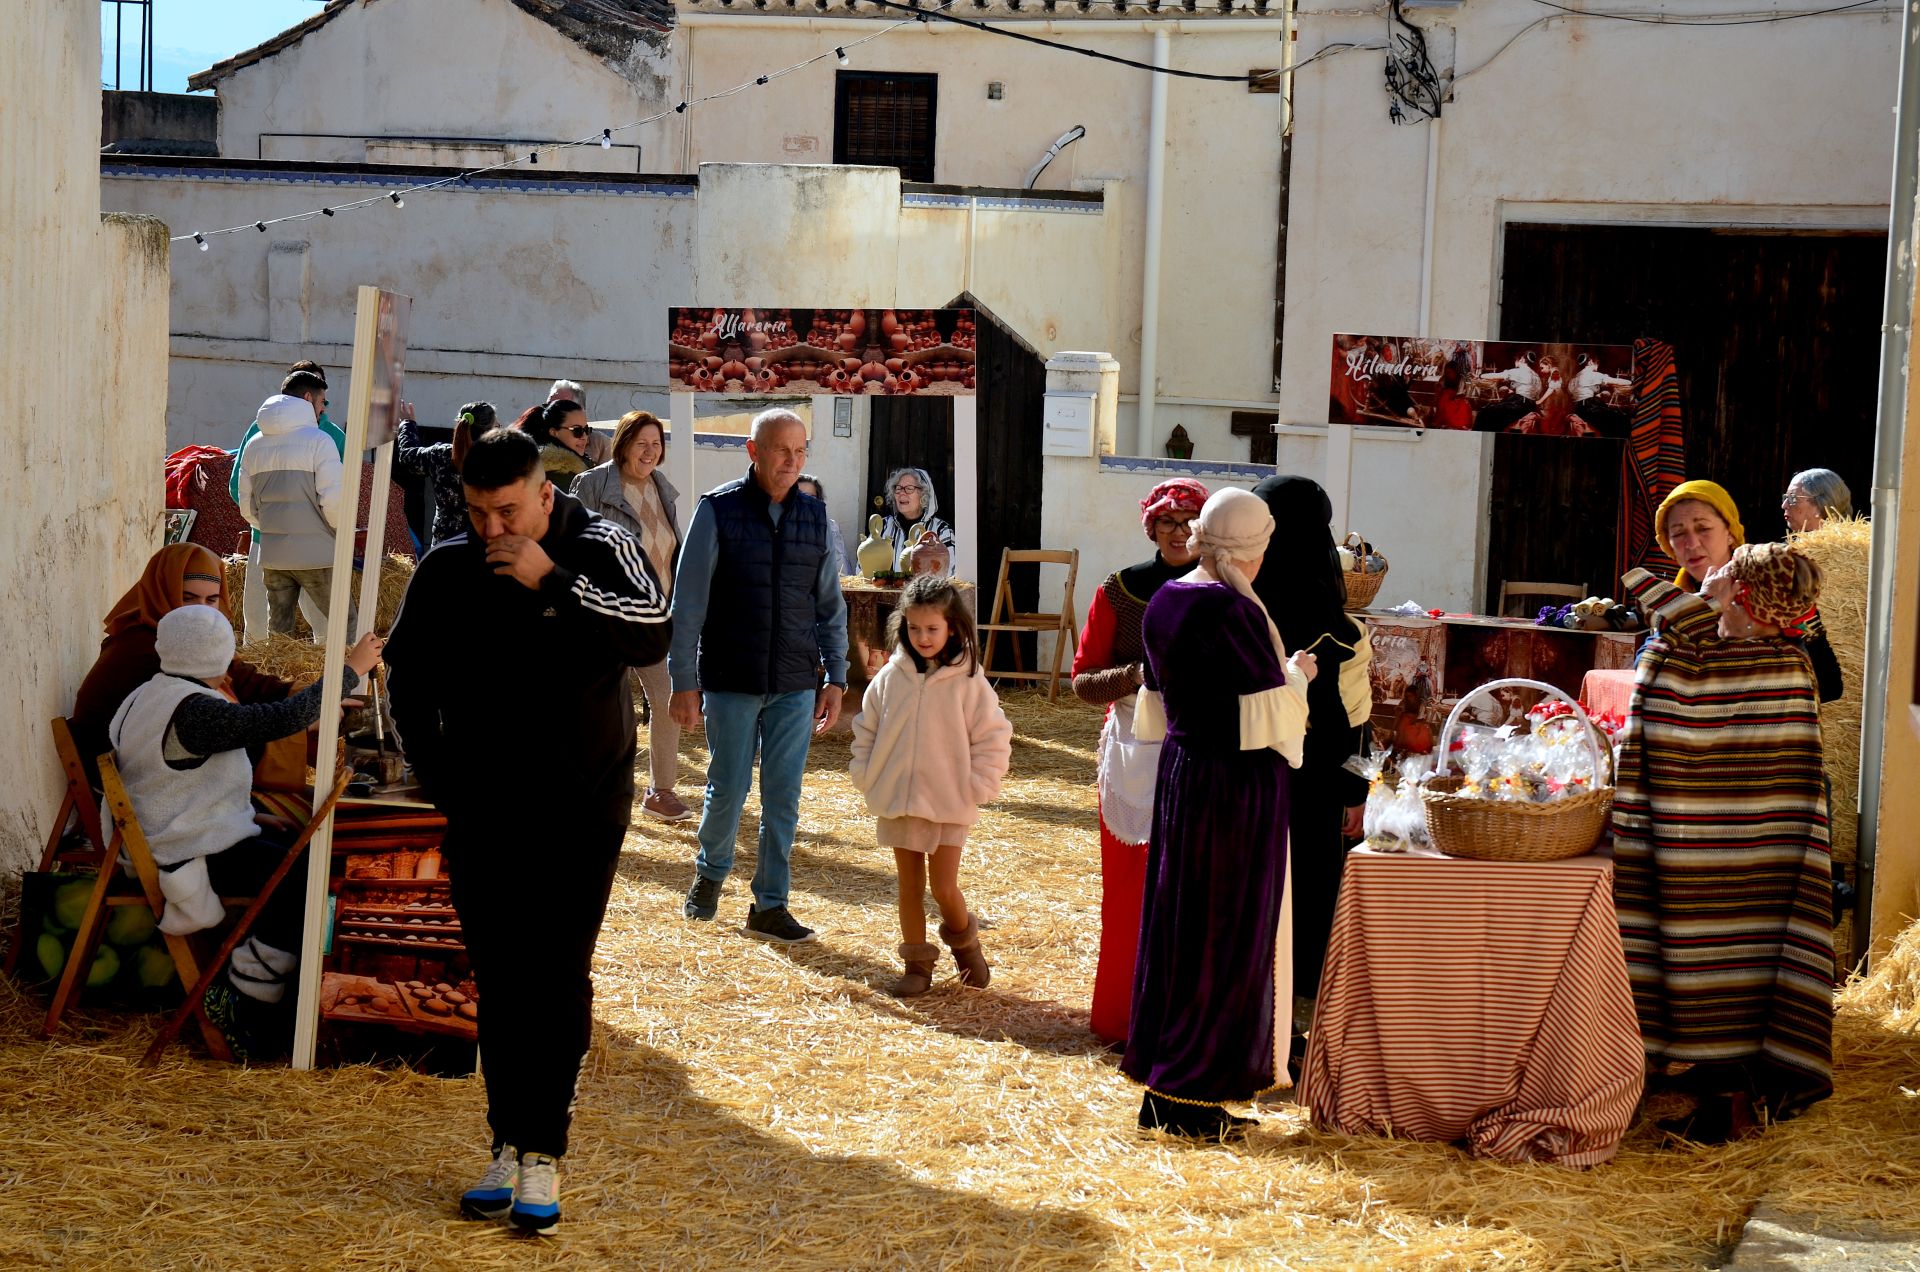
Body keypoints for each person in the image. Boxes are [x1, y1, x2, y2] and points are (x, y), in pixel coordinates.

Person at [383, 428, 670, 1234]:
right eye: (477, 512)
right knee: (501, 978)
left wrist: (555, 581)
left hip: (584, 806)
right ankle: (505, 1141)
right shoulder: (447, 567)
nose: (492, 529)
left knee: (557, 971)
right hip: (485, 810)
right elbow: (409, 685)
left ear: (545, 495)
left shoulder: (600, 541)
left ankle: (544, 1151)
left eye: (508, 510)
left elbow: (654, 632)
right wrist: (442, 781)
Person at [1613, 541, 1834, 1143]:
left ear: (1744, 593)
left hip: (1721, 856)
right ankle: (1725, 1104)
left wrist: (1673, 614)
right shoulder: (1780, 662)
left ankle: (1730, 1111)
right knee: (1740, 962)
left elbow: (1664, 679)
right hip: (1757, 855)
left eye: (1728, 571)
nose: (1714, 572)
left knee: (1721, 957)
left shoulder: (1706, 662)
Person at [1123, 487, 1317, 1139]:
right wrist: (1298, 678)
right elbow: (1262, 718)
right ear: (1250, 548)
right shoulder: (1229, 609)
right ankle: (1189, 1097)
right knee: (1221, 933)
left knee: (1187, 927)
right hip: (1231, 789)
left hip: (1185, 776)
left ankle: (1176, 1089)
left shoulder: (1169, 598)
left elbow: (1160, 700)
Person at [107, 604, 382, 1057]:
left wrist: (246, 814)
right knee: (305, 882)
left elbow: (183, 781)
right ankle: (245, 997)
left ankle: (267, 988)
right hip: (183, 852)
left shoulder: (153, 693)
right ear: (220, 655)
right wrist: (348, 672)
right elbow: (275, 721)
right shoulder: (193, 711)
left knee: (303, 852)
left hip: (183, 835)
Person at [670, 408, 850, 943]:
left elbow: (829, 607)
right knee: (727, 788)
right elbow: (689, 604)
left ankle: (770, 903)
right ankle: (708, 880)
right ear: (753, 451)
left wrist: (836, 678)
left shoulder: (816, 518)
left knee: (784, 796)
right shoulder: (717, 511)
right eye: (780, 450)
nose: (791, 462)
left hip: (795, 683)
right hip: (730, 678)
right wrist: (683, 680)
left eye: (800, 452)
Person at [1069, 476, 1207, 1045]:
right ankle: (1123, 1019)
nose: (1179, 532)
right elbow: (1081, 681)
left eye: (1189, 522)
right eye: (1168, 522)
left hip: (1202, 752)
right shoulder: (1121, 590)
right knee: (1129, 892)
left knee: (1191, 893)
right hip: (1132, 754)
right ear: (1151, 526)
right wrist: (1136, 677)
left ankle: (1181, 1022)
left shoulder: (1223, 590)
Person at [1250, 475, 1374, 1049]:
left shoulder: (1237, 609)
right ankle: (1300, 1021)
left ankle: (1252, 1005)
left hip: (1245, 776)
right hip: (1316, 786)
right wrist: (1355, 794)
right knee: (1309, 888)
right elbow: (1353, 722)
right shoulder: (1343, 631)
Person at [849, 574, 1012, 996]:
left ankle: (966, 945)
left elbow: (993, 736)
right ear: (904, 626)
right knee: (909, 886)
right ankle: (917, 966)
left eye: (932, 629)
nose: (923, 637)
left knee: (943, 887)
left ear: (953, 628)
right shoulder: (889, 678)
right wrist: (867, 775)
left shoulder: (969, 680)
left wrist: (976, 785)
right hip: (899, 800)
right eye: (915, 628)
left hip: (949, 800)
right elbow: (867, 728)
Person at [71, 544, 295, 787]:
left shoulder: (179, 637)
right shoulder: (149, 647)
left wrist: (302, 694)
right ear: (162, 593)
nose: (201, 610)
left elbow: (242, 680)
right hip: (136, 792)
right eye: (188, 598)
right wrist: (302, 722)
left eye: (211, 600)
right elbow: (220, 727)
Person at [571, 410, 691, 821]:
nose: (650, 451)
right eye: (642, 443)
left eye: (656, 444)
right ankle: (593, 786)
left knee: (666, 697)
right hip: (603, 618)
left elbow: (674, 553)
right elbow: (572, 546)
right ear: (623, 443)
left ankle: (661, 791)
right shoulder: (591, 485)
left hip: (652, 618)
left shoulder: (663, 489)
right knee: (602, 704)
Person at [1658, 480, 1841, 701]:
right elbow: (1654, 671)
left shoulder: (1770, 583)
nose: (1692, 543)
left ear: (1730, 533)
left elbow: (1828, 684)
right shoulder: (1674, 598)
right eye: (1678, 533)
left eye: (1703, 528)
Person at [232, 364, 346, 641]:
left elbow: (239, 488)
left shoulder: (257, 433)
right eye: (322, 400)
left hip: (268, 541)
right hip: (315, 543)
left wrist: (267, 523)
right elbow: (339, 497)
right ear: (309, 398)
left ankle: (259, 680)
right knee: (330, 629)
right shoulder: (330, 436)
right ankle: (330, 681)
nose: (323, 407)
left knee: (262, 629)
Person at [396, 401, 495, 548]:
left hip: (443, 545)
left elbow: (408, 457)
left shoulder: (440, 454)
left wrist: (408, 424)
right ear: (489, 430)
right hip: (481, 546)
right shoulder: (498, 460)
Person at [876, 467, 955, 573]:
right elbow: (862, 569)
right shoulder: (883, 526)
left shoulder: (941, 530)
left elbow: (951, 571)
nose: (902, 493)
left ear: (923, 494)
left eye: (909, 488)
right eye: (898, 488)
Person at [527, 399, 591, 493]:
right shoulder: (559, 476)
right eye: (577, 430)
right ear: (554, 432)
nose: (584, 437)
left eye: (587, 430)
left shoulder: (578, 466)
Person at [794, 474, 852, 576]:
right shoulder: (779, 526)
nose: (804, 501)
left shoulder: (830, 527)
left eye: (810, 497)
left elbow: (842, 571)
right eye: (798, 496)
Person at [546, 378, 611, 465]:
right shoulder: (532, 439)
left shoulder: (600, 443)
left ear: (580, 410)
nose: (551, 411)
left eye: (563, 407)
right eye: (548, 406)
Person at [1782, 468, 1853, 534]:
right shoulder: (1793, 546)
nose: (1784, 506)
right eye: (1785, 498)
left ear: (1820, 504)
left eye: (1792, 498)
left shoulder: (1847, 546)